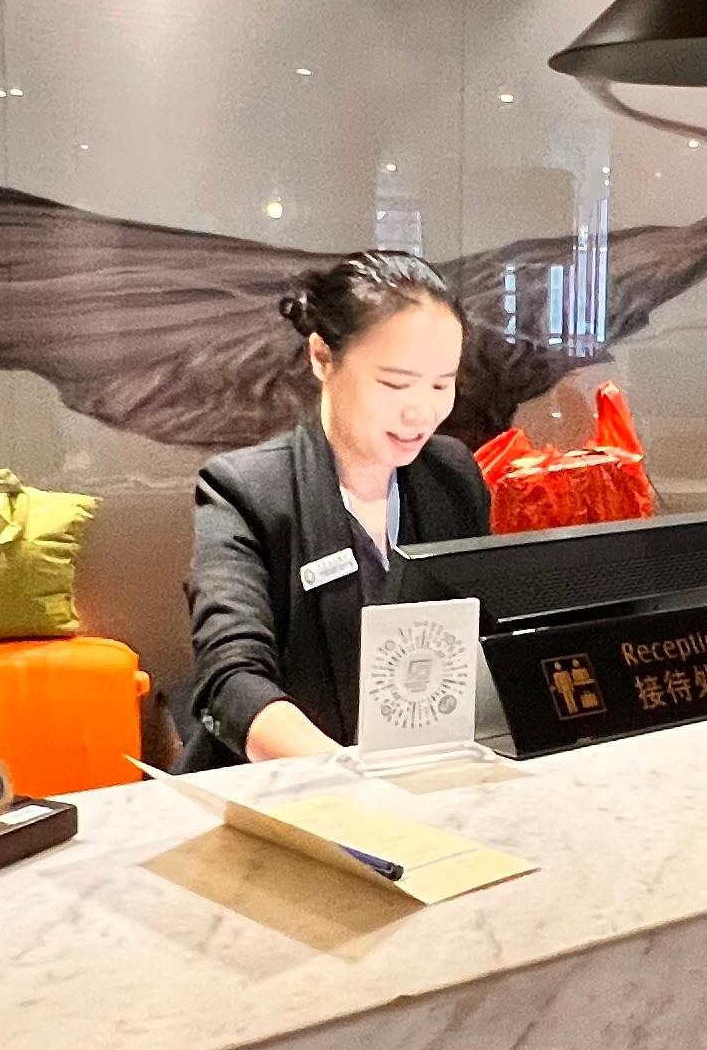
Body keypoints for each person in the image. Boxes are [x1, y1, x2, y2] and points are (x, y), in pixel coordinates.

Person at [186, 252, 491, 765]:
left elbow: (482, 637)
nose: (421, 411)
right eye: (395, 384)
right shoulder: (244, 490)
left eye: (442, 384)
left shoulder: (451, 477)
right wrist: (346, 777)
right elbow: (230, 681)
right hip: (281, 788)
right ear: (322, 357)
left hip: (422, 779)